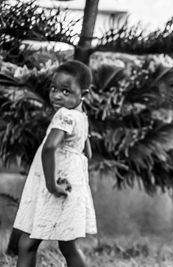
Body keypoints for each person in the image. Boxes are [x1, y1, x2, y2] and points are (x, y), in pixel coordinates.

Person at [11, 60, 97, 267]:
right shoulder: (81, 117)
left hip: (54, 186)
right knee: (68, 246)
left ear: (83, 94)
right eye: (54, 89)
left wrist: (51, 185)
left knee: (27, 244)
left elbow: (50, 148)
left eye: (66, 91)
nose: (57, 95)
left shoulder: (65, 115)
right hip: (70, 185)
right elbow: (88, 153)